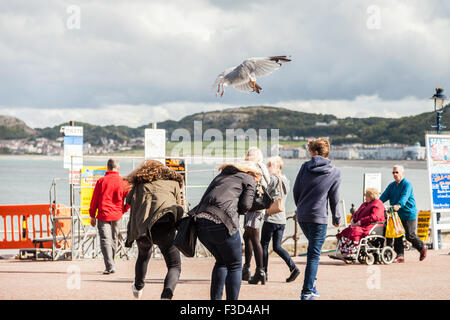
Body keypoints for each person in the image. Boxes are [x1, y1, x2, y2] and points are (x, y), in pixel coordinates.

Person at [194, 161, 258, 300]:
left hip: (200, 221)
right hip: (222, 222)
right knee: (235, 265)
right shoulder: (248, 178)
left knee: (221, 261)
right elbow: (246, 206)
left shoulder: (221, 176)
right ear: (251, 172)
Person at [125, 160, 184, 300]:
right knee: (174, 265)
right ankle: (166, 295)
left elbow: (128, 201)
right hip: (164, 227)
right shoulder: (173, 183)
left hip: (142, 228)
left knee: (144, 255)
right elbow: (178, 206)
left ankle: (138, 286)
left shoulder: (139, 184)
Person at [293, 138, 341, 300]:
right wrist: (336, 217)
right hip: (319, 218)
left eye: (309, 152)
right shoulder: (335, 171)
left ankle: (311, 285)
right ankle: (307, 292)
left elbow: (296, 190)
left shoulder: (305, 167)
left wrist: (301, 207)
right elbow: (334, 198)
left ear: (315, 152)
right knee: (313, 255)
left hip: (302, 216)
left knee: (312, 252)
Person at [260, 156, 300, 282]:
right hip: (281, 220)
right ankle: (293, 267)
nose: (268, 168)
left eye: (270, 166)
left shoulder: (272, 179)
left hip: (271, 218)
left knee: (263, 246)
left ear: (277, 167)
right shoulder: (285, 180)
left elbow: (263, 191)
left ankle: (264, 273)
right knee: (277, 247)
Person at [89, 158, 130, 275]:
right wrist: (124, 209)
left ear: (107, 167)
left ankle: (109, 265)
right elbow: (131, 198)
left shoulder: (101, 181)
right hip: (117, 214)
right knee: (114, 238)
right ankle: (111, 264)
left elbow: (94, 200)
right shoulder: (123, 181)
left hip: (103, 215)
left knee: (105, 240)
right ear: (118, 167)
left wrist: (92, 215)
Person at [380, 165, 427, 263]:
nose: (395, 174)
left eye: (397, 172)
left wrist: (399, 205)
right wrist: (376, 204)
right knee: (397, 235)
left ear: (402, 173)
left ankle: (422, 247)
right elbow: (384, 196)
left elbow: (404, 197)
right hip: (396, 214)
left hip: (408, 213)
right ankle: (400, 255)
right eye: (393, 173)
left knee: (410, 235)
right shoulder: (391, 185)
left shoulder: (407, 184)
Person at [242, 147, 272, 285]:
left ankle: (260, 271)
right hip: (257, 206)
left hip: (253, 206)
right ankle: (246, 268)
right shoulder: (264, 168)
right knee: (247, 236)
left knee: (254, 237)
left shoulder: (253, 168)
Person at [335, 188, 385, 259]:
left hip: (371, 225)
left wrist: (359, 222)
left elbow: (374, 217)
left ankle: (352, 252)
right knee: (346, 231)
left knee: (355, 231)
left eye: (366, 196)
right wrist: (352, 220)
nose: (365, 197)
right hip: (362, 225)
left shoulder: (378, 204)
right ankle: (345, 252)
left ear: (371, 196)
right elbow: (356, 213)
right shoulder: (365, 204)